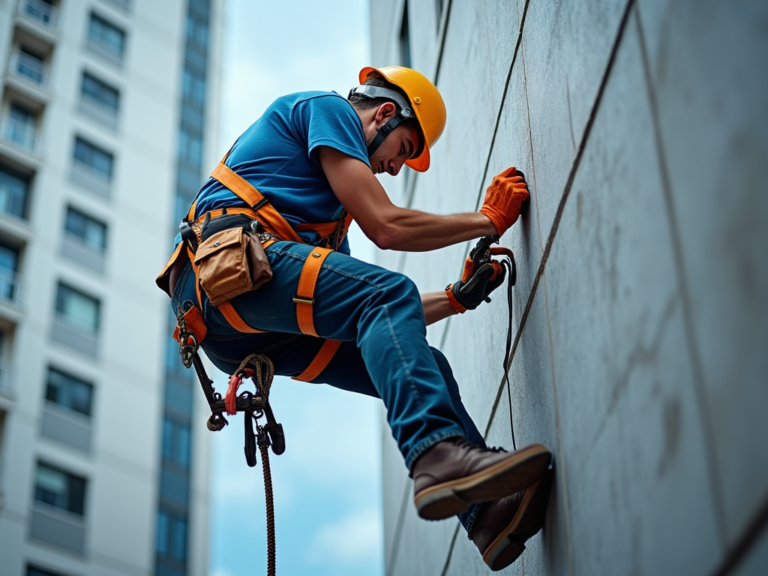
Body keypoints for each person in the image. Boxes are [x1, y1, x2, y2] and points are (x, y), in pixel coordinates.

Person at [158, 66, 553, 571]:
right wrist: (487, 220)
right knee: (387, 294)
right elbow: (386, 228)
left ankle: (488, 516)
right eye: (404, 150)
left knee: (424, 358)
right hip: (227, 266)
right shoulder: (326, 110)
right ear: (385, 114)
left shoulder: (326, 224)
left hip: (235, 318)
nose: (394, 168)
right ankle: (436, 454)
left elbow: (378, 317)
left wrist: (456, 298)